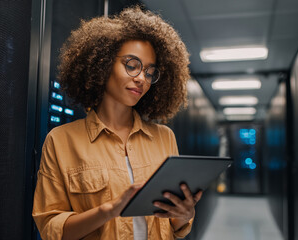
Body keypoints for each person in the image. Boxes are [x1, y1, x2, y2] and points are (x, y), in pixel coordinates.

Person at [32, 6, 202, 240]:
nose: (141, 78)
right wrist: (109, 210)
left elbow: (176, 227)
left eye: (150, 72)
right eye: (131, 65)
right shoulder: (61, 141)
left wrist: (184, 214)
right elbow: (51, 228)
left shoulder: (165, 137)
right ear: (102, 65)